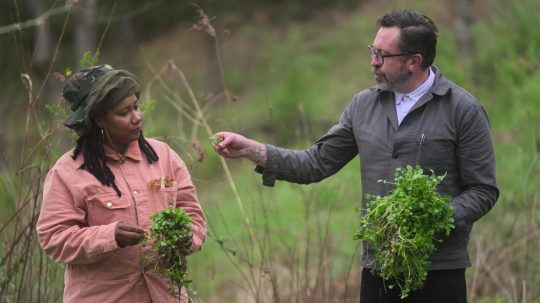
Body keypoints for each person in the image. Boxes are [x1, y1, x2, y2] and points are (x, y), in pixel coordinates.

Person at [212, 9, 498, 303]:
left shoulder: (462, 110)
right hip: (378, 268)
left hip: (439, 271)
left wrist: (434, 217)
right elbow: (315, 163)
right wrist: (252, 150)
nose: (373, 61)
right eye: (373, 51)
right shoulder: (364, 106)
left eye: (383, 55)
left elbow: (483, 190)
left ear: (414, 61)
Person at [36, 64, 206, 303]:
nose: (137, 117)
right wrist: (110, 236)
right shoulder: (67, 173)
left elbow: (192, 215)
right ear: (98, 120)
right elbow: (54, 239)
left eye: (136, 107)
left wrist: (188, 236)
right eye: (124, 112)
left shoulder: (163, 157)